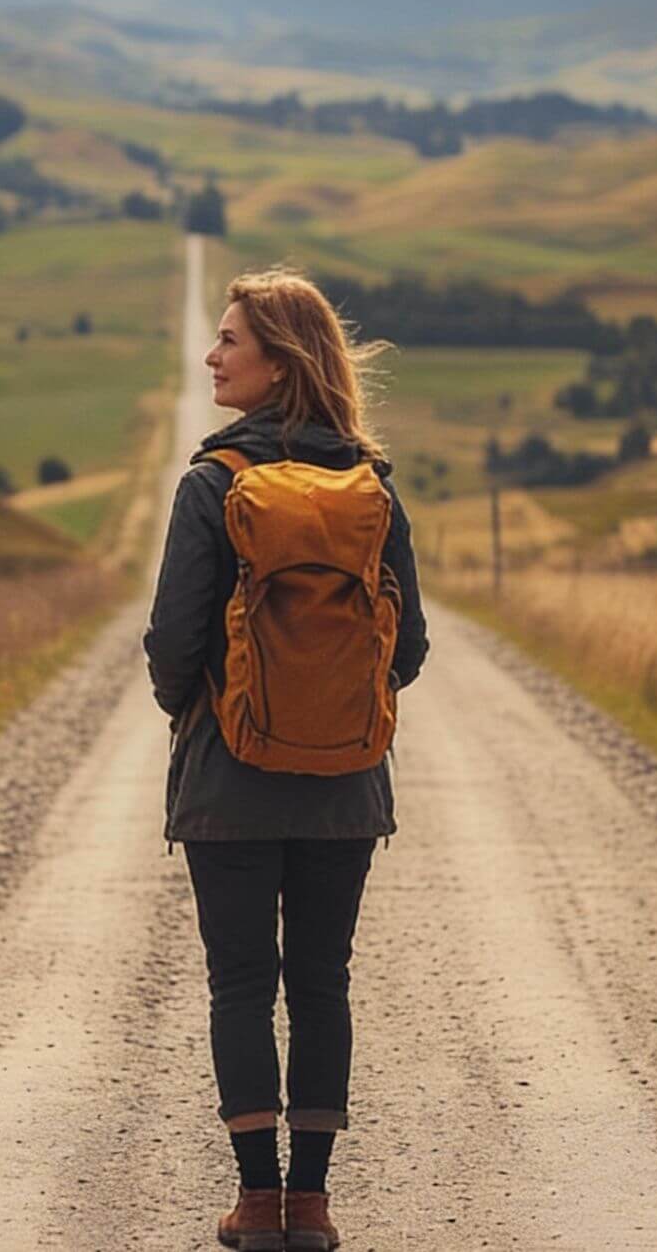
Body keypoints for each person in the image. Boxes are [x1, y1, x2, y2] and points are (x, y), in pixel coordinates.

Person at [143, 266, 428, 1251]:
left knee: (239, 985)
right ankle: (310, 1205)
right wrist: (337, 708)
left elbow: (171, 642)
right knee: (320, 984)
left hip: (228, 782)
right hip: (345, 785)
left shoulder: (210, 485)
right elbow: (410, 649)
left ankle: (255, 1204)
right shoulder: (371, 487)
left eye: (231, 340)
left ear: (281, 363)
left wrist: (204, 714)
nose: (211, 356)